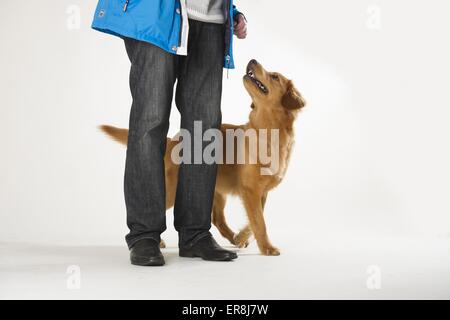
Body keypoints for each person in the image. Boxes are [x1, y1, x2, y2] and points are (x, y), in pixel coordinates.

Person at [92, 1, 247, 266]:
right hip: (156, 15)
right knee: (150, 122)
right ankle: (144, 236)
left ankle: (195, 233)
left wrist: (231, 12)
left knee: (204, 128)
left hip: (210, 22)